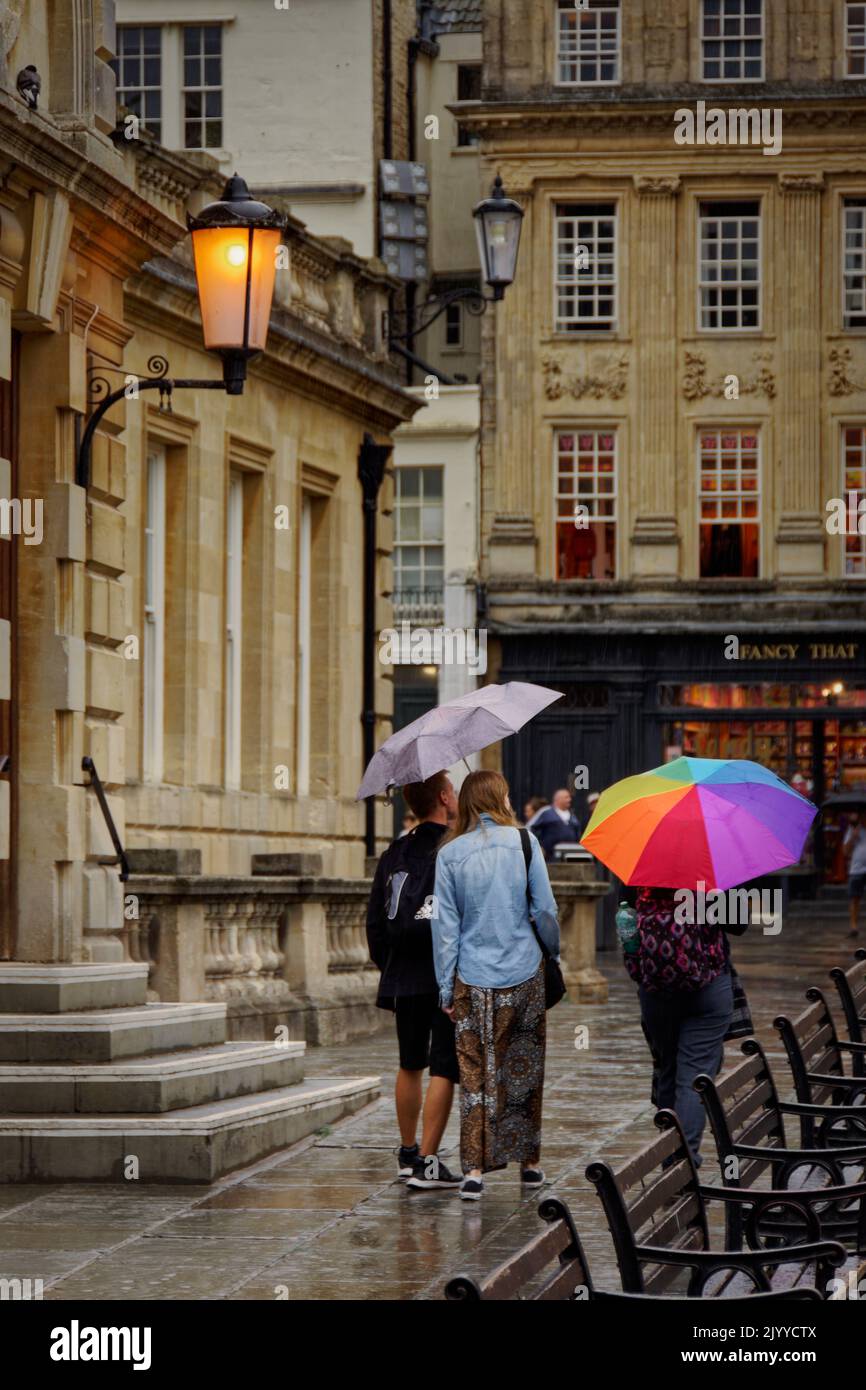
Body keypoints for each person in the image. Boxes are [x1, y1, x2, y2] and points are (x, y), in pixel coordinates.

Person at [432, 770, 560, 1200]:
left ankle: (474, 1171)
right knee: (523, 1068)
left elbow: (444, 929)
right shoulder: (525, 842)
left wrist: (446, 988)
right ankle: (530, 1164)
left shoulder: (449, 854)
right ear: (500, 799)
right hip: (524, 971)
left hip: (471, 975)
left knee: (475, 1074)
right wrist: (553, 953)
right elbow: (544, 910)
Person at [366, 771, 462, 1190]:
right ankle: (428, 1162)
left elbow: (374, 920)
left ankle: (408, 1153)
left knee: (409, 1062)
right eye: (453, 790)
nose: (455, 795)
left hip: (402, 971)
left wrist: (389, 965)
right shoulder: (455, 849)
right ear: (443, 797)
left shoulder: (394, 851)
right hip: (445, 972)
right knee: (444, 1065)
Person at [625, 886, 736, 1167]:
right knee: (693, 1077)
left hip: (655, 988)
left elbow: (626, 918)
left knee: (668, 1068)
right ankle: (684, 1163)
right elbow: (738, 924)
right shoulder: (713, 872)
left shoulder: (642, 873)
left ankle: (669, 1158)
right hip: (708, 987)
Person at [531, 787, 583, 861]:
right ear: (558, 799)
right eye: (566, 797)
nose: (569, 800)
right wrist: (539, 846)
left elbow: (578, 834)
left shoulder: (573, 816)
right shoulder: (547, 813)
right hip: (551, 857)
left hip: (570, 856)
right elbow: (533, 828)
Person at [843, 812, 866, 937]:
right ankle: (853, 926)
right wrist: (853, 837)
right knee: (855, 898)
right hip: (857, 869)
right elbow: (845, 852)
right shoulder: (851, 830)